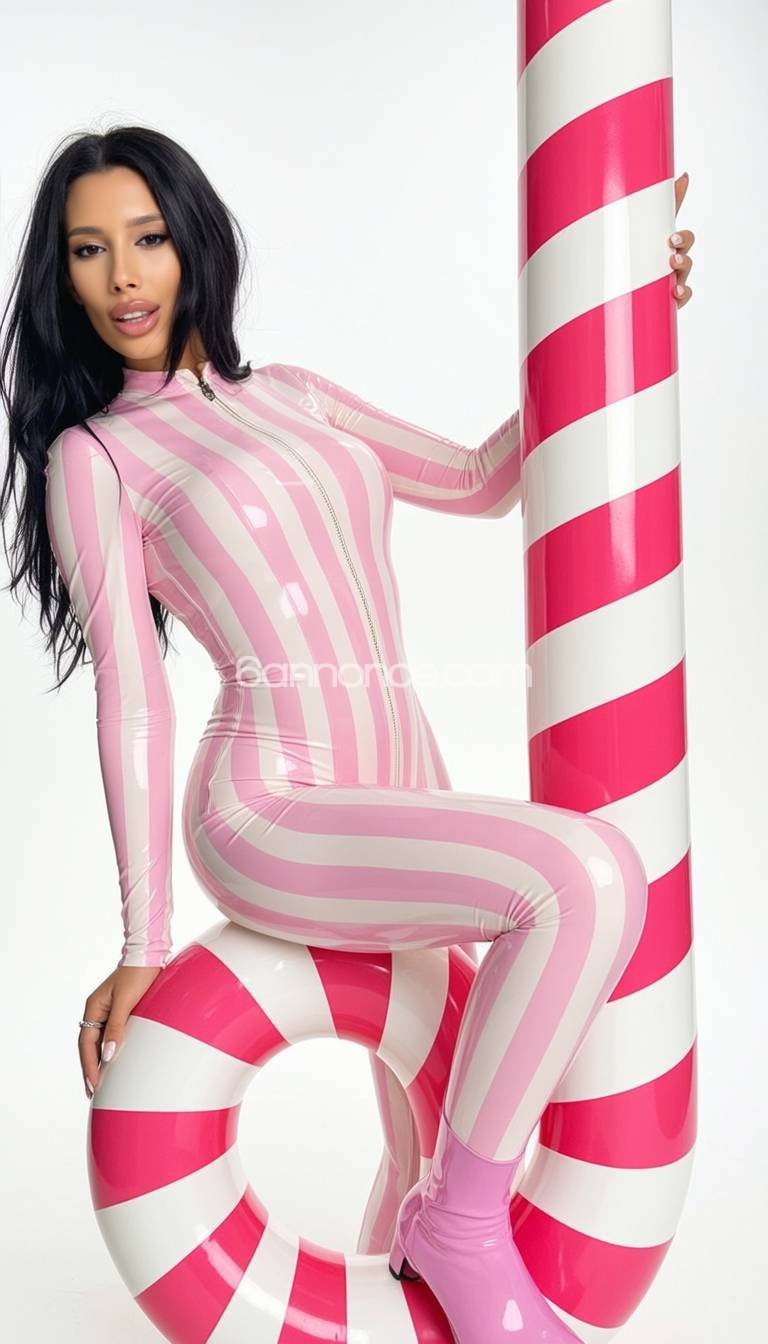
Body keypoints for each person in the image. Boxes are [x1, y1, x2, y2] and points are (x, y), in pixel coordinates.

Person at [0, 127, 695, 1343]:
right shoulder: (95, 455)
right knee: (584, 876)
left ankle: (431, 1239)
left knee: (428, 1121)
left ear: (194, 241)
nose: (122, 278)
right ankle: (462, 1226)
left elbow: (483, 479)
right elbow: (133, 694)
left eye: (147, 239)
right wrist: (141, 942)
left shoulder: (295, 394)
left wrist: (624, 314)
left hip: (403, 788)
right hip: (275, 804)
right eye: (88, 251)